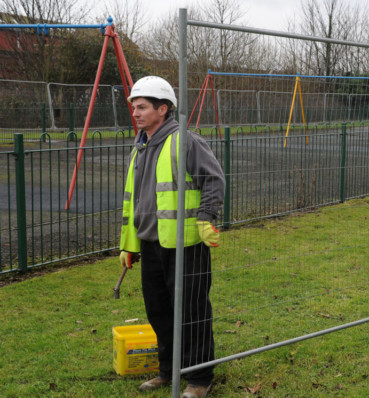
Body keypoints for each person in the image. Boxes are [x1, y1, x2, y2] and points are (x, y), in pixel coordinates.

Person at [119, 76, 225, 398]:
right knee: (159, 311)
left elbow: (214, 179)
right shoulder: (140, 146)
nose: (135, 113)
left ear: (162, 109)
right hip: (151, 244)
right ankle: (169, 369)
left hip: (185, 245)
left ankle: (199, 378)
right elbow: (136, 200)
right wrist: (129, 245)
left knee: (191, 311)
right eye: (134, 107)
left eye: (142, 107)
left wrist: (206, 218)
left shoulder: (186, 141)